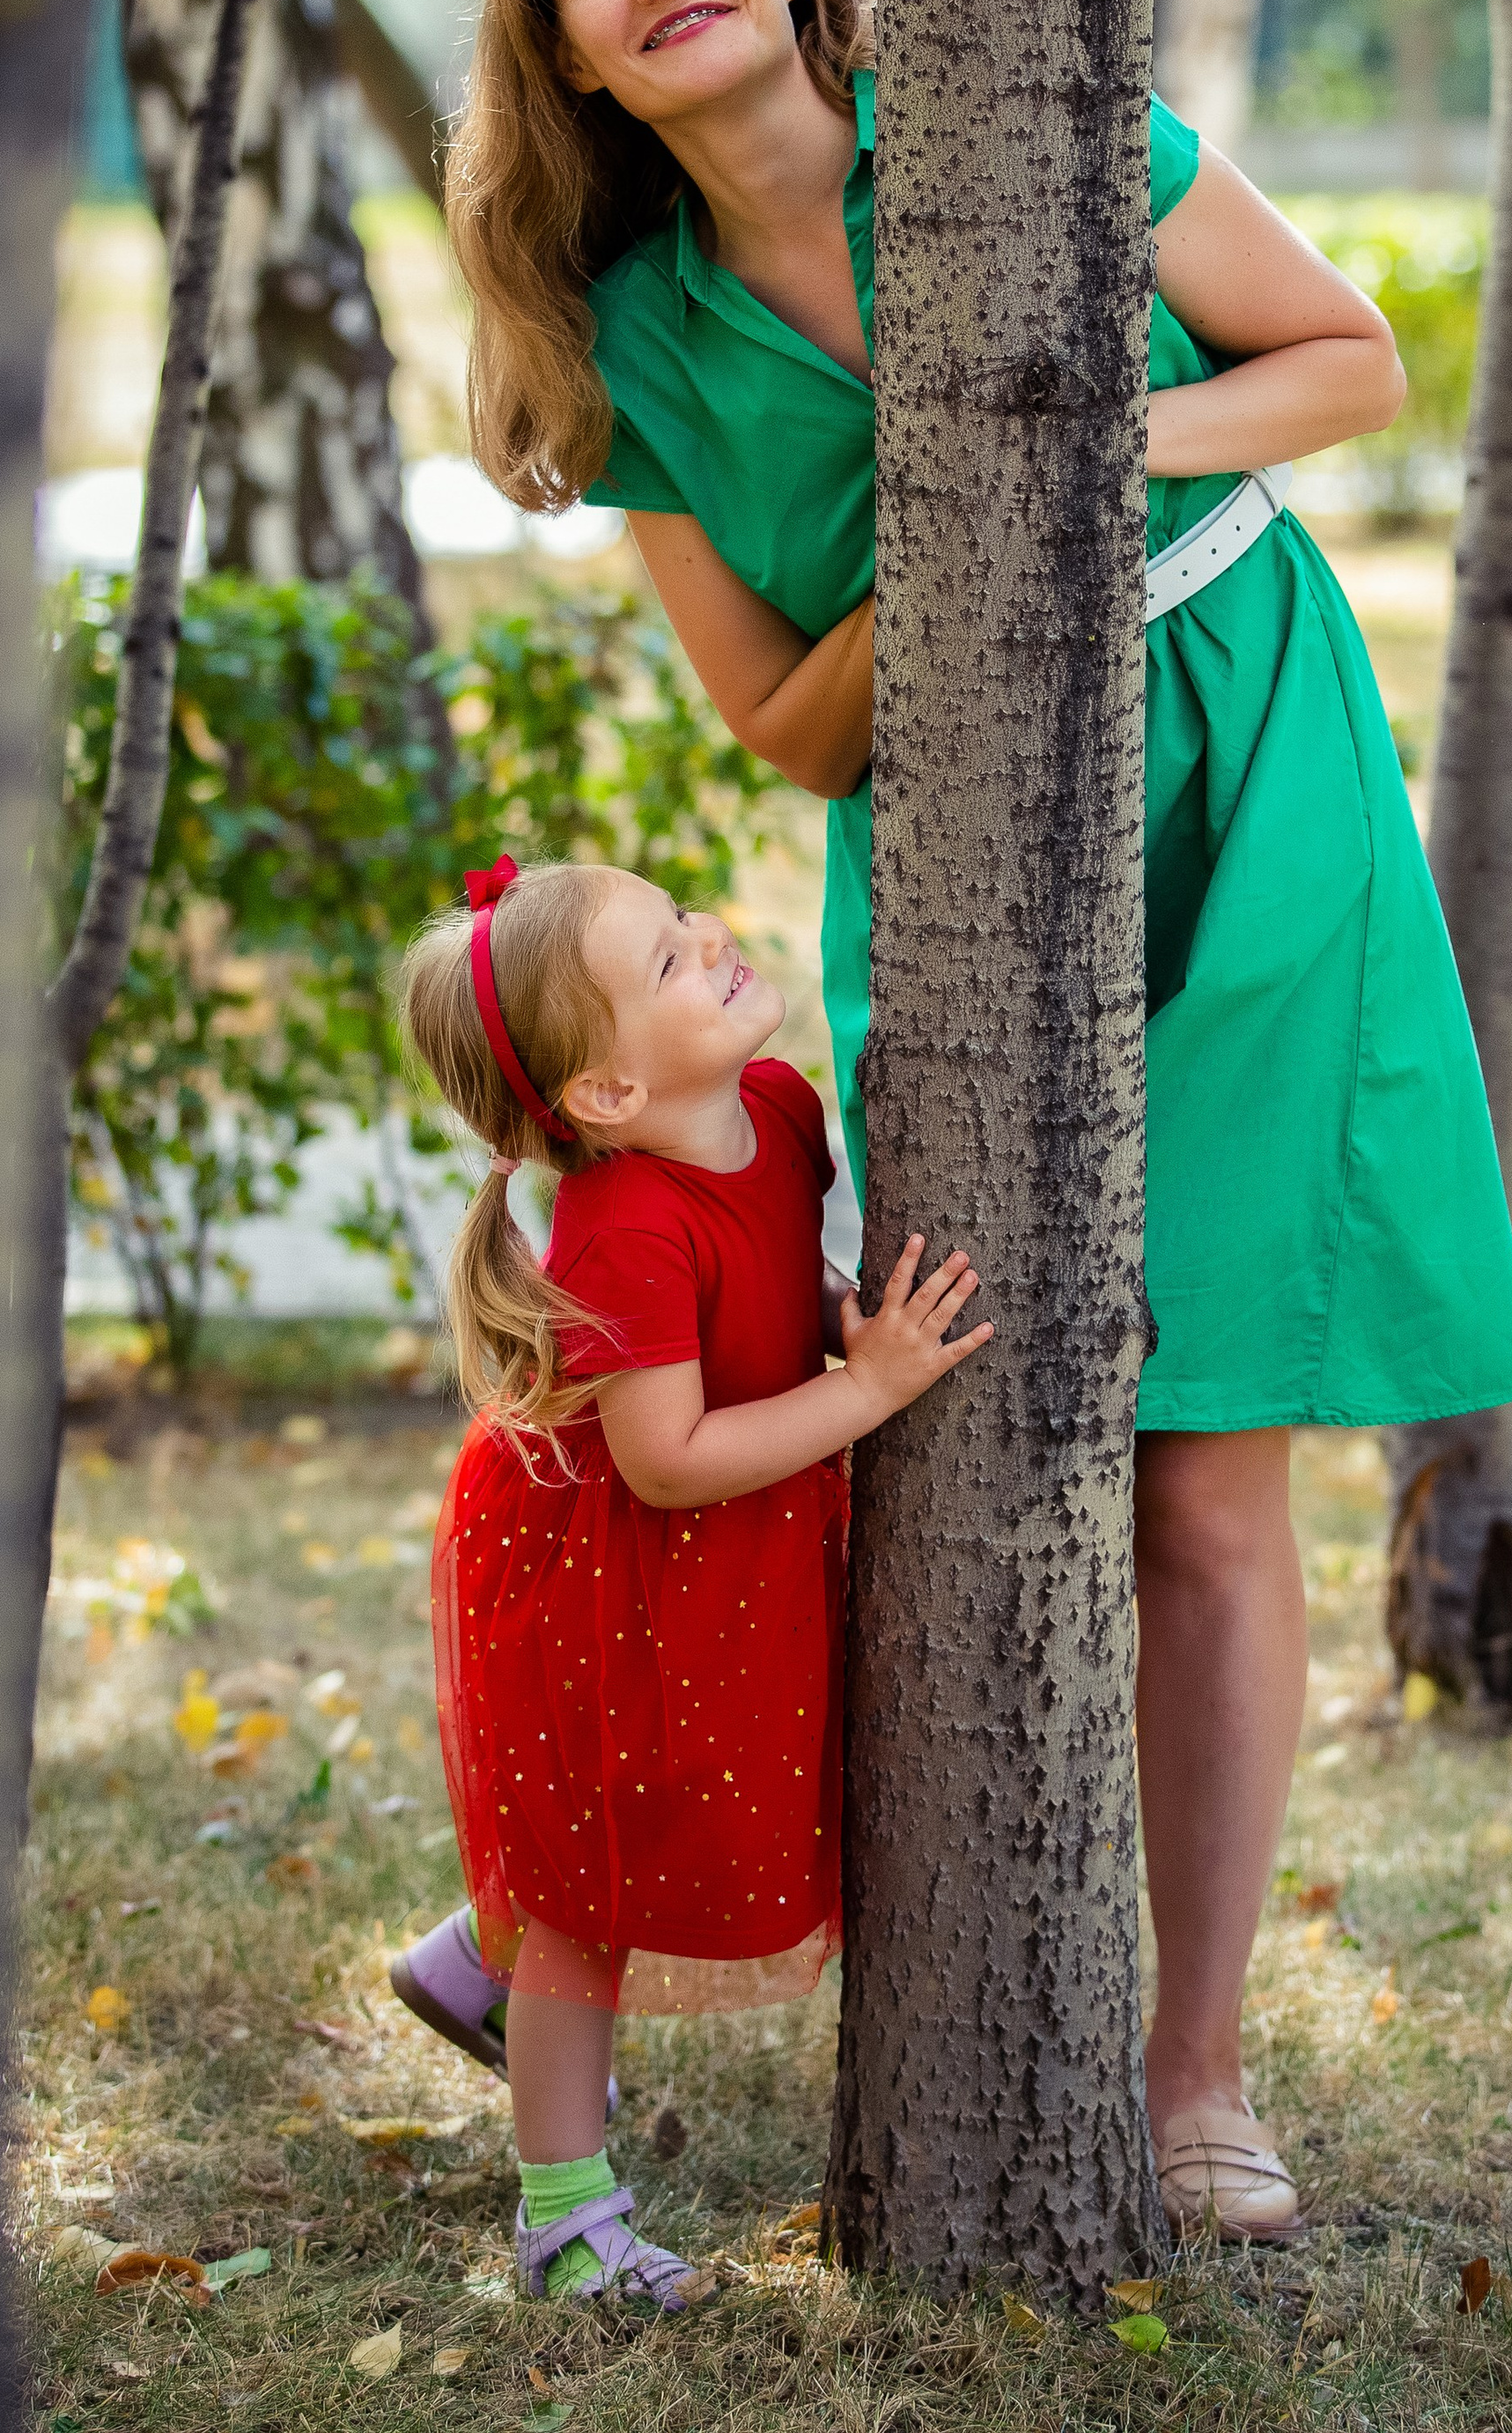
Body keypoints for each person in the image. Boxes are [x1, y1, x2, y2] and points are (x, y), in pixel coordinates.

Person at [434, 0, 1512, 2239]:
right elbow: (786, 726)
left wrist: (1071, 452)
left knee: (1206, 1459)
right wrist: (956, 531)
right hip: (944, 849)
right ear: (578, 66)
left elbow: (1346, 367)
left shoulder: (1032, 124)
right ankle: (575, 1898)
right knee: (926, 1418)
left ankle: (1196, 2073)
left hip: (1250, 758)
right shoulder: (633, 342)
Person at [392, 852, 989, 2310]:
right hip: (612, 1558)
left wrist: (851, 1318)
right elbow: (664, 1455)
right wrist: (875, 1389)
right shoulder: (625, 1220)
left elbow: (783, 1282)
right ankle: (563, 2219)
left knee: (660, 1814)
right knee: (591, 1896)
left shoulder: (779, 1106)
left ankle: (472, 1951)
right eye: (663, 960)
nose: (709, 940)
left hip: (721, 1552)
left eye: (681, 922)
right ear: (601, 1095)